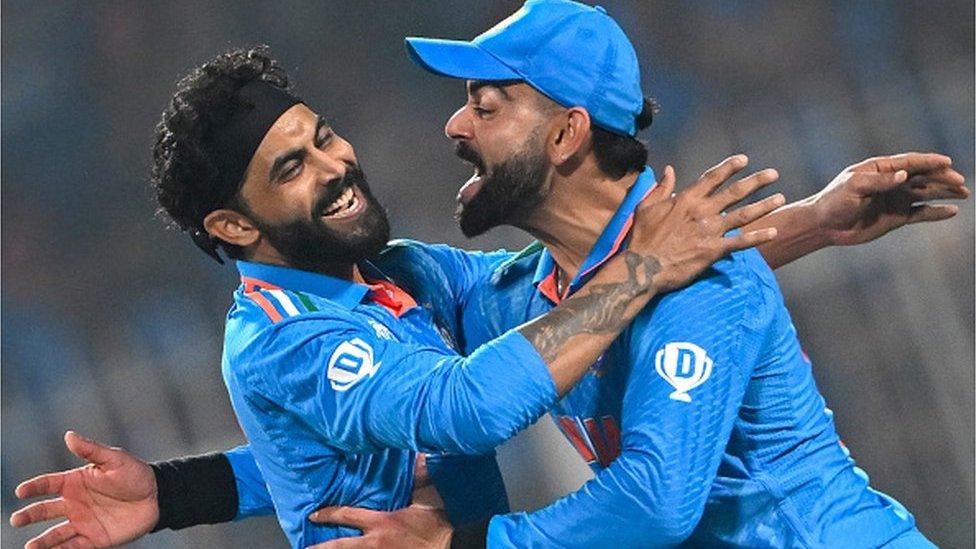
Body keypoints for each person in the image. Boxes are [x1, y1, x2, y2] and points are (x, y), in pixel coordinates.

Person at [11, 3, 968, 549]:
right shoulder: (505, 292)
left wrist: (463, 546)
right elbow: (444, 409)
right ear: (231, 223)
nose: (453, 127)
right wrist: (182, 496)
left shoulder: (686, 285)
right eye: (293, 165)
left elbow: (657, 499)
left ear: (565, 130)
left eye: (486, 103)